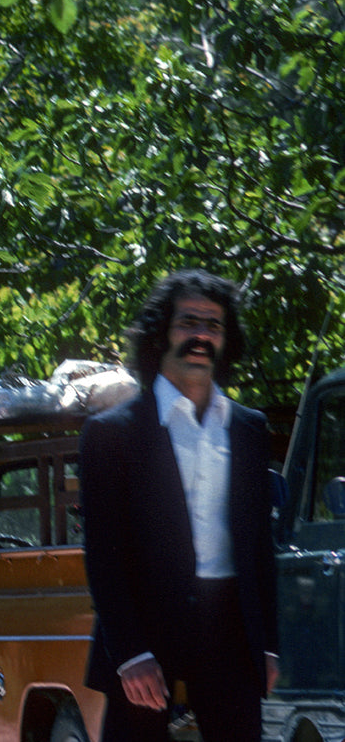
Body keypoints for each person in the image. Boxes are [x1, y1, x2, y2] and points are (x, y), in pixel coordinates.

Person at [80, 269, 279, 742]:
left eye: (214, 326)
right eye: (188, 322)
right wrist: (129, 653)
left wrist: (268, 645)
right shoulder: (113, 433)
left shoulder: (249, 430)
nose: (201, 336)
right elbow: (104, 555)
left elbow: (259, 549)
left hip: (231, 634)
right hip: (146, 640)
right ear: (160, 333)